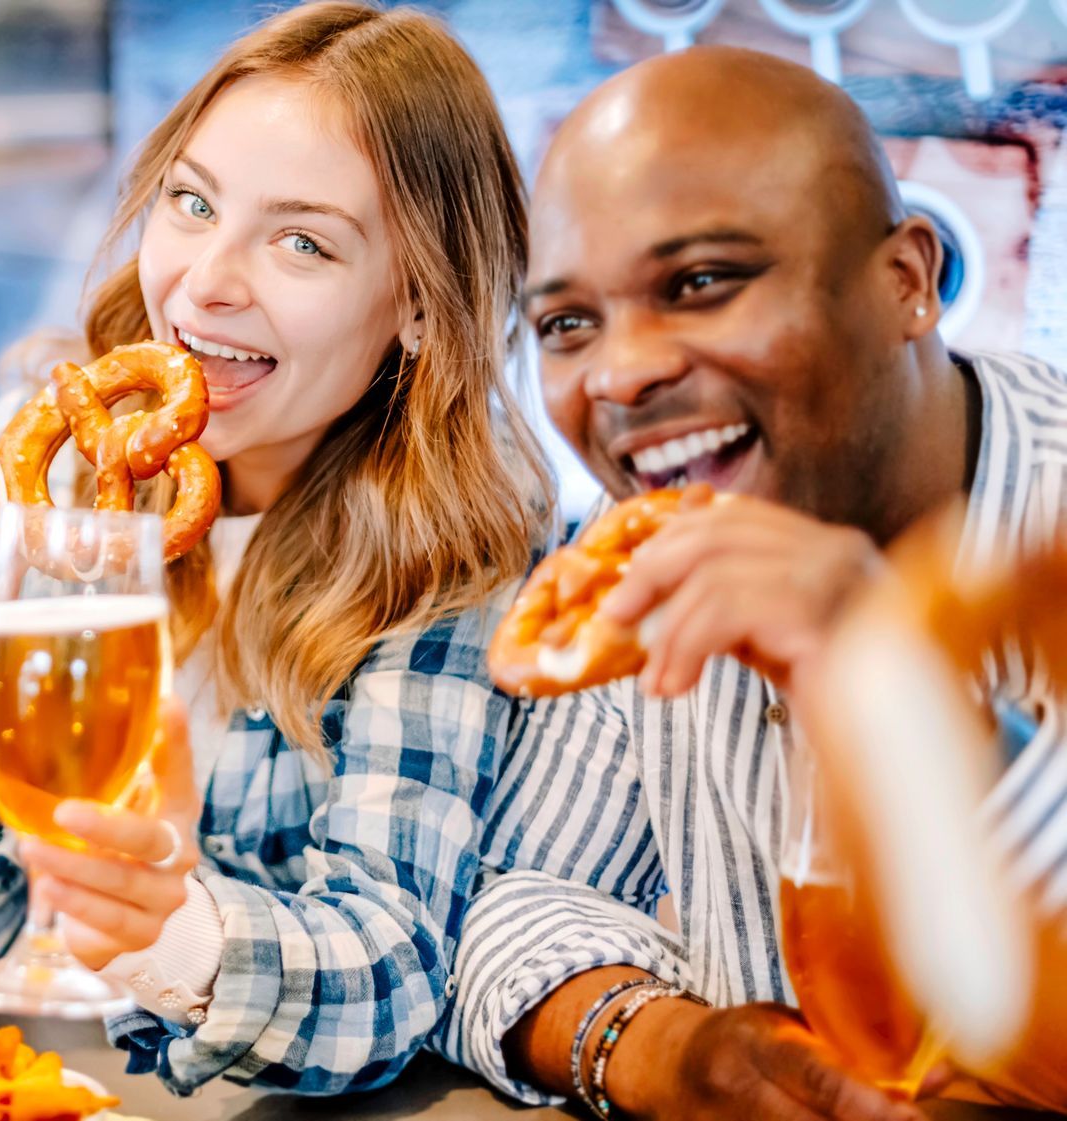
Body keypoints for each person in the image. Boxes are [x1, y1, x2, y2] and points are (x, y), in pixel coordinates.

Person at [0, 1, 552, 1096]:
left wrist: (161, 921)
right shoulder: (55, 467)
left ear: (417, 304)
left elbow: (388, 971)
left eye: (304, 241)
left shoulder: (446, 560)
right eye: (191, 201)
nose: (206, 281)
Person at [447, 46, 1066, 1121]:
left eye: (700, 283)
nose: (622, 371)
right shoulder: (635, 565)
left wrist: (889, 679)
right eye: (567, 324)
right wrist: (670, 1049)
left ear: (907, 281)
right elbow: (512, 904)